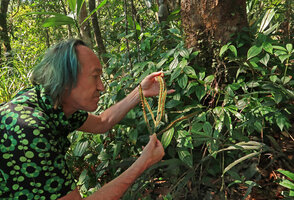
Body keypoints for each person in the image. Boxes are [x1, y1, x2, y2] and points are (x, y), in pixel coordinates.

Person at [0, 39, 174, 200]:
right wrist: (143, 163)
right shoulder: (29, 130)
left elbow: (101, 123)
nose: (102, 87)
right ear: (66, 79)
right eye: (95, 76)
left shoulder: (53, 102)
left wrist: (140, 92)